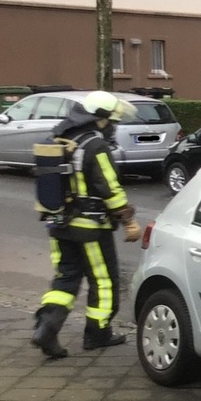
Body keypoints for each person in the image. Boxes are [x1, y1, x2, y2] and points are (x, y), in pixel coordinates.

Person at [31, 91, 142, 359]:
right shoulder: (95, 146)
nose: (113, 125)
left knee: (65, 278)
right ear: (100, 119)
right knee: (103, 281)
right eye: (111, 120)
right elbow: (110, 188)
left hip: (58, 224)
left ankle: (46, 327)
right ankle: (98, 333)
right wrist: (129, 221)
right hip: (91, 228)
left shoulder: (59, 139)